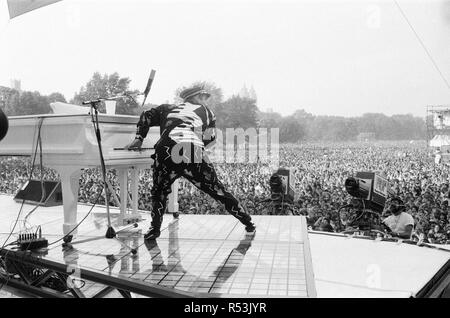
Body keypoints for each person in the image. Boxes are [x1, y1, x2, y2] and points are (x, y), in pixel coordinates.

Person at [125, 85, 256, 240]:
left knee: (159, 192)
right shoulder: (207, 112)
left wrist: (139, 138)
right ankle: (248, 224)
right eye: (204, 97)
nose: (206, 101)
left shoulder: (166, 108)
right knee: (217, 190)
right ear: (196, 97)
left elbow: (146, 115)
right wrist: (197, 149)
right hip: (192, 151)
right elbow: (210, 138)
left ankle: (154, 230)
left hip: (165, 150)